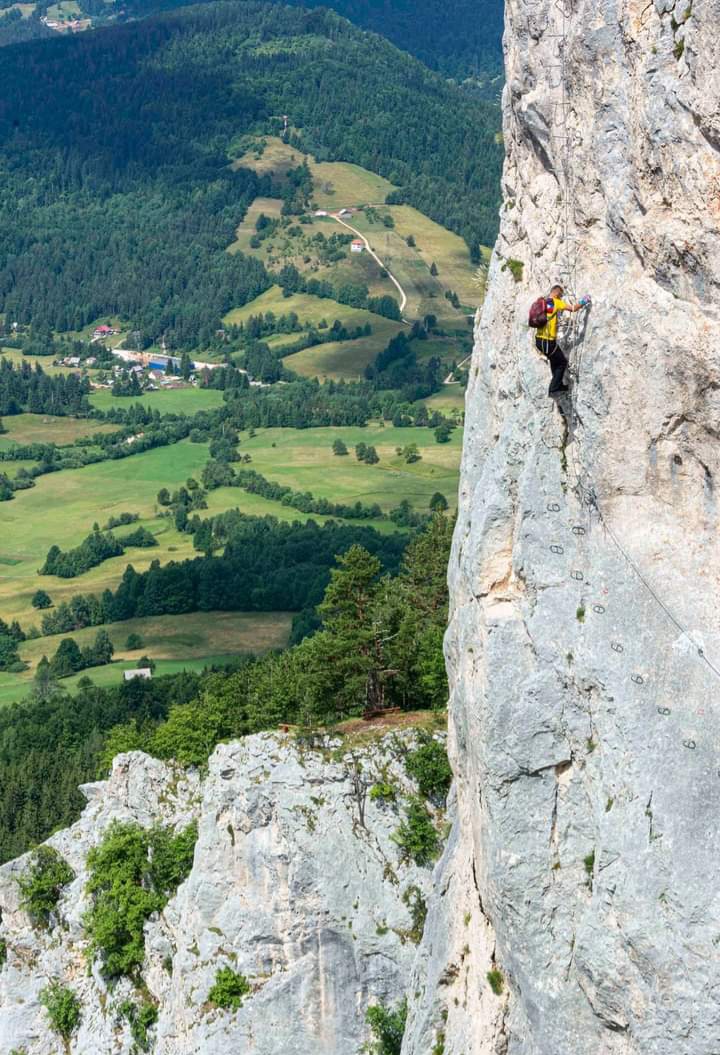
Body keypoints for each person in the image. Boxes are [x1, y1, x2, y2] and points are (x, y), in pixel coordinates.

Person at [536, 285, 587, 396]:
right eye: (561, 295)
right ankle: (554, 387)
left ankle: (557, 384)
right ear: (557, 293)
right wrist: (584, 301)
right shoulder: (556, 302)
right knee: (562, 362)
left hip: (539, 341)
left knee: (554, 360)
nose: (560, 297)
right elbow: (573, 308)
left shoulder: (543, 302)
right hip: (548, 342)